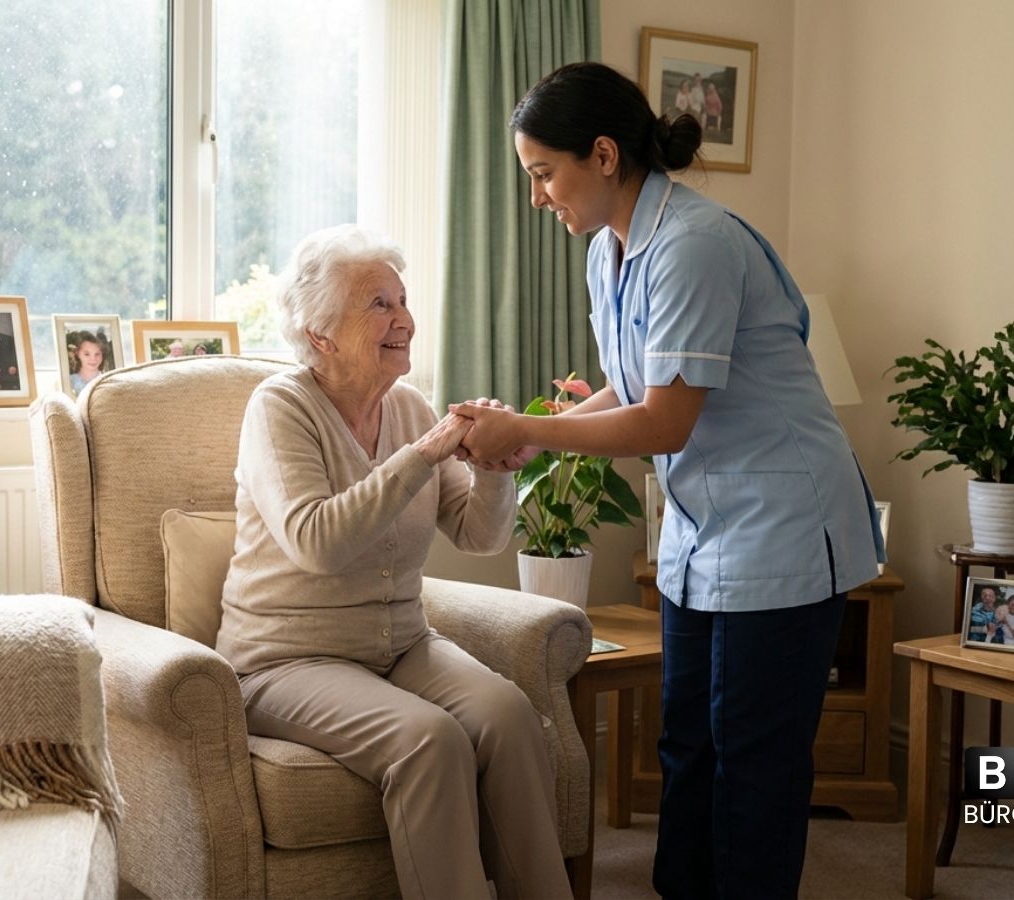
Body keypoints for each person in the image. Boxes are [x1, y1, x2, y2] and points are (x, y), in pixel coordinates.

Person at [451, 63, 882, 898]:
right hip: (702, 530)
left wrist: (533, 431)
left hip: (783, 525)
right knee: (689, 743)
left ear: (604, 154)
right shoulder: (607, 253)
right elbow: (640, 385)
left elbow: (664, 423)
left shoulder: (695, 244)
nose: (537, 197)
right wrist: (549, 431)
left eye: (544, 173)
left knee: (752, 759)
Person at [213, 225, 568, 900]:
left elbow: (478, 535)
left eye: (403, 300)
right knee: (429, 740)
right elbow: (317, 541)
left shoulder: (409, 408)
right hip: (284, 660)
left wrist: (496, 470)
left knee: (509, 716)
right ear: (319, 333)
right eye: (379, 304)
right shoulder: (280, 408)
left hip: (403, 645)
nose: (404, 319)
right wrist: (427, 454)